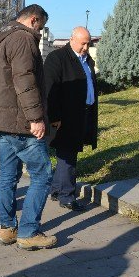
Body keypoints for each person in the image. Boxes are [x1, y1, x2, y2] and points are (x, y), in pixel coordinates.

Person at [0, 4, 57, 250]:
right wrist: (37, 118)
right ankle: (29, 232)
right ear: (33, 19)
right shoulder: (23, 38)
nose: (40, 32)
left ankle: (7, 228)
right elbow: (25, 81)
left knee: (8, 175)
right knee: (42, 174)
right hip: (19, 122)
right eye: (41, 27)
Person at [44, 26, 97, 212]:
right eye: (83, 43)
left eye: (88, 43)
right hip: (64, 116)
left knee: (66, 154)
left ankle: (58, 189)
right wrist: (54, 116)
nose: (86, 47)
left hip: (82, 113)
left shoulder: (86, 59)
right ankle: (67, 196)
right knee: (68, 155)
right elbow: (50, 89)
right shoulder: (57, 58)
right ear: (72, 39)